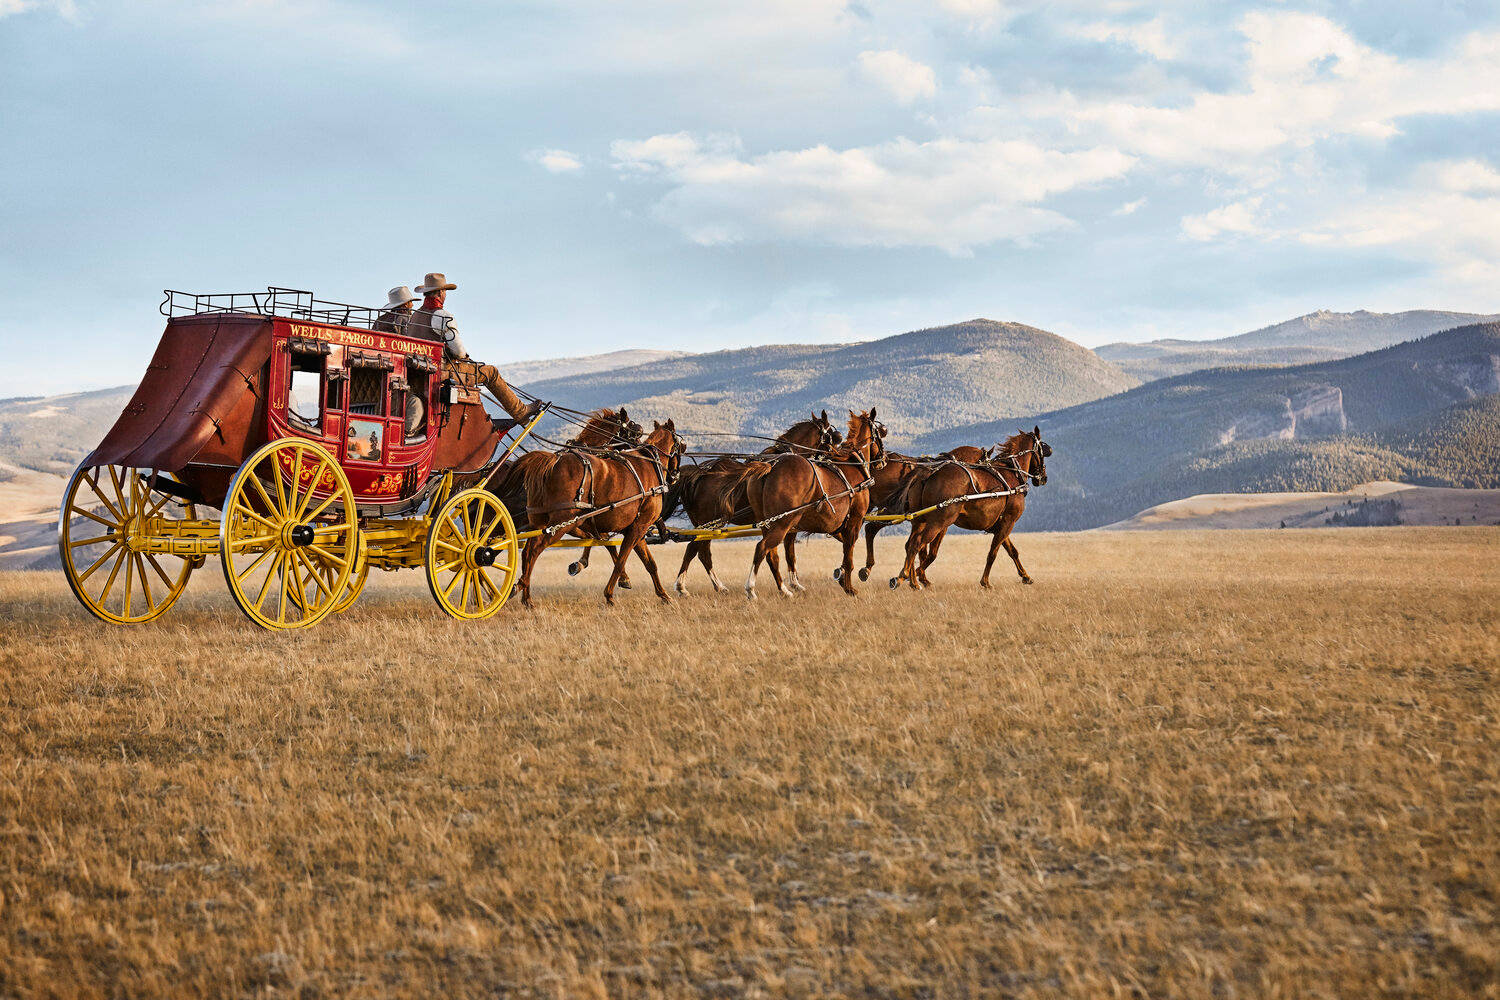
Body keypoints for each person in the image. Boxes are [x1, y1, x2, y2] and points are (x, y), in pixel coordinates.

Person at [407, 272, 540, 422]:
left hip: (418, 372)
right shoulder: (443, 316)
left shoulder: (415, 316)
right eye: (444, 291)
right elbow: (459, 351)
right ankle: (520, 412)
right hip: (441, 371)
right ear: (440, 293)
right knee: (490, 372)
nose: (445, 294)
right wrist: (463, 357)